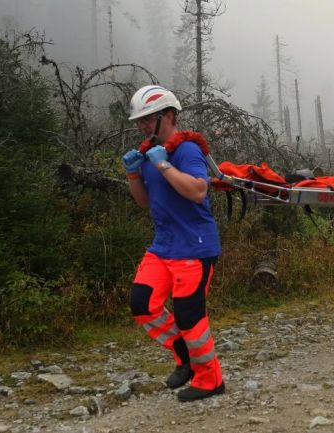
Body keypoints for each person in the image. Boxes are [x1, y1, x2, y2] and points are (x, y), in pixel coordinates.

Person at [121, 85, 225, 402]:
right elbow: (143, 202)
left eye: (148, 119)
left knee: (190, 317)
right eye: (139, 121)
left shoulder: (188, 150)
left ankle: (211, 380)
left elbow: (197, 191)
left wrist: (164, 164)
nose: (143, 126)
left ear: (168, 115)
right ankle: (184, 354)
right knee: (142, 304)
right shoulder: (149, 153)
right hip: (163, 247)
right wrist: (133, 175)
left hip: (194, 248)